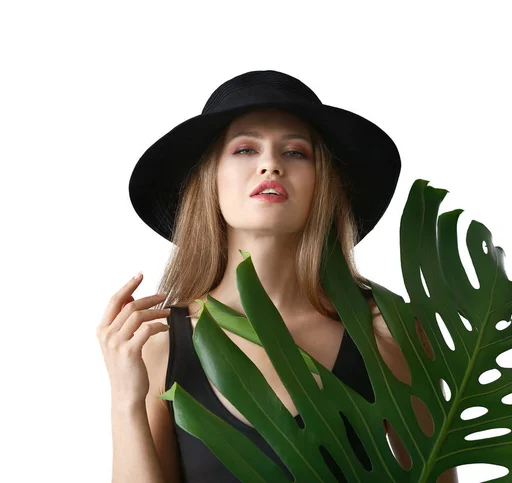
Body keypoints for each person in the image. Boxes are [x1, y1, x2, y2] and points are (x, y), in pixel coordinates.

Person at [96, 70, 458, 482]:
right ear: (209, 179)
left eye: (296, 152)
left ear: (322, 183)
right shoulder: (160, 345)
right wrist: (125, 398)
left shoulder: (384, 336)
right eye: (246, 149)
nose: (270, 165)